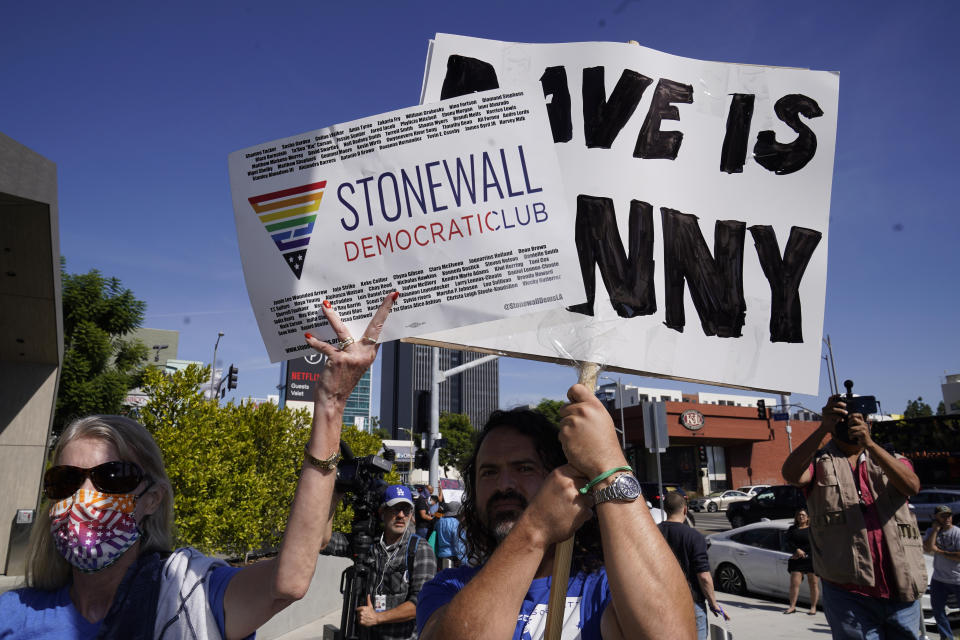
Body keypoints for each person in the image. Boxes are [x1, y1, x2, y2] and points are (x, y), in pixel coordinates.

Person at [0, 292, 398, 639]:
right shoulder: (13, 615)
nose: (86, 496)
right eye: (66, 480)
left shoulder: (192, 592)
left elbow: (288, 583)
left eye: (112, 477)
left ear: (152, 498)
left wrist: (330, 404)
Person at [416, 389, 694, 640]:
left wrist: (608, 463)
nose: (504, 485)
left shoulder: (605, 589)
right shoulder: (448, 588)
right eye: (488, 472)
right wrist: (534, 530)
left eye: (524, 468)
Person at [782, 395, 927, 639]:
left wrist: (869, 444)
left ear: (869, 423)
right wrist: (822, 429)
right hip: (848, 594)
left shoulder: (891, 457)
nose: (850, 425)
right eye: (842, 420)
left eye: (859, 420)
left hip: (901, 588)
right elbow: (791, 474)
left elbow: (912, 486)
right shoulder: (818, 462)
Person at [347, 485, 437, 640]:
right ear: (382, 512)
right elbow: (324, 542)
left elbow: (422, 603)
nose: (401, 515)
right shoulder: (369, 544)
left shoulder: (420, 549)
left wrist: (377, 618)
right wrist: (336, 494)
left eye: (406, 510)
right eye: (395, 509)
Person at [657, 492, 729, 639]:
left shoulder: (654, 532)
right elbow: (703, 576)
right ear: (685, 510)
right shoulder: (693, 536)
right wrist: (713, 603)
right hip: (691, 603)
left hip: (662, 603)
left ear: (665, 510)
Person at [923, 505, 960, 640]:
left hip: (957, 578)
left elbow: (958, 556)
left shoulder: (957, 533)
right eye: (943, 516)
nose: (947, 518)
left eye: (949, 515)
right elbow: (927, 548)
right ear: (936, 517)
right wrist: (935, 530)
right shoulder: (931, 531)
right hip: (939, 579)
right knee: (938, 612)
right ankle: (947, 637)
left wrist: (939, 551)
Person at [783, 508, 820, 615]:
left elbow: (816, 543)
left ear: (808, 517)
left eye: (803, 515)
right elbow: (787, 542)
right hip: (796, 559)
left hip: (811, 558)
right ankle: (792, 607)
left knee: (813, 583)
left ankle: (813, 608)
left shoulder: (813, 529)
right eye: (799, 515)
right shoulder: (792, 529)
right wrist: (796, 550)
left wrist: (805, 551)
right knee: (794, 584)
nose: (801, 517)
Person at [433, 502, 467, 570]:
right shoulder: (456, 523)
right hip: (452, 557)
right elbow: (459, 543)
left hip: (440, 556)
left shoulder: (440, 521)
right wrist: (463, 560)